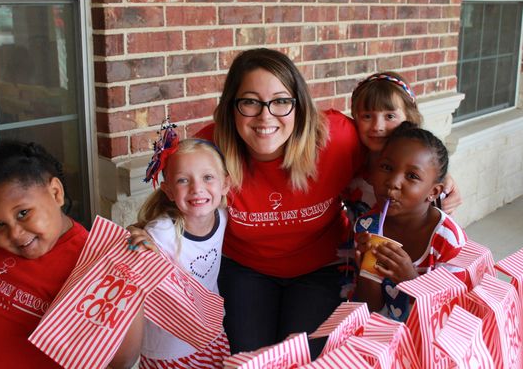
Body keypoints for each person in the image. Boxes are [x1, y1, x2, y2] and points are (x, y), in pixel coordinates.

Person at [194, 48, 364, 357]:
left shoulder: (335, 139)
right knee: (249, 360)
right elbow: (173, 204)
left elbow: (394, 156)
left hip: (322, 267)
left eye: (281, 101)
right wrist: (150, 234)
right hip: (245, 269)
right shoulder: (208, 151)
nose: (265, 116)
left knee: (299, 358)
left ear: (299, 105)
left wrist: (441, 180)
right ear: (231, 106)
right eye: (250, 101)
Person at [0, 141, 142, 369]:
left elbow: (122, 360)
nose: (14, 233)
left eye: (23, 213)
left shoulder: (92, 262)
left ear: (56, 193)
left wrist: (132, 280)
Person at [129, 130, 231, 368]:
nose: (197, 188)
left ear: (225, 183)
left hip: (211, 334)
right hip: (169, 348)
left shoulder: (224, 217)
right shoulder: (161, 234)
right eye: (183, 180)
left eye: (208, 177)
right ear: (168, 190)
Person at [353, 122, 467, 322]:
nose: (393, 182)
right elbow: (369, 310)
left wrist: (411, 280)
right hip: (381, 335)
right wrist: (367, 270)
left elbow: (452, 316)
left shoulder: (447, 241)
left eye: (412, 176)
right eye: (387, 167)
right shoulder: (366, 226)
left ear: (433, 192)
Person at [345, 71, 461, 222]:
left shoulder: (425, 183)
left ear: (409, 118)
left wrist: (440, 177)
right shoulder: (351, 162)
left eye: (390, 116)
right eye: (367, 116)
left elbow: (441, 231)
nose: (377, 126)